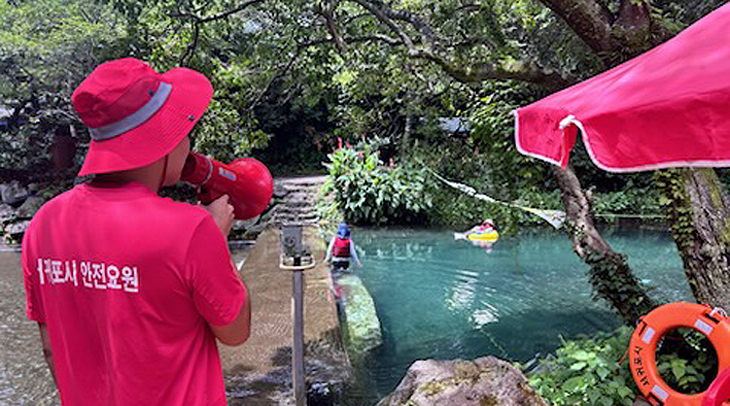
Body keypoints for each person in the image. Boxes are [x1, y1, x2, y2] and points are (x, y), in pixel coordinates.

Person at [21, 58, 250, 406]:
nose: (188, 143)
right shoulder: (192, 230)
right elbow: (235, 330)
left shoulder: (43, 224)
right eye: (183, 131)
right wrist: (217, 240)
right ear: (165, 139)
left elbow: (51, 347)